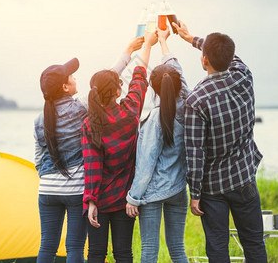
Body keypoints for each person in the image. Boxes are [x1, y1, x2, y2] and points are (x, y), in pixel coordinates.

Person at [34, 37, 144, 263]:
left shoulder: (39, 119)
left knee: (47, 246)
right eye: (71, 77)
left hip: (46, 189)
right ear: (65, 87)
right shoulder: (80, 108)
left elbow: (38, 158)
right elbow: (106, 82)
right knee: (74, 247)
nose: (75, 78)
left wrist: (47, 177)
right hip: (74, 188)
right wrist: (128, 51)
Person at [171, 20, 268, 263]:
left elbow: (195, 152)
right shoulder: (243, 76)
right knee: (254, 243)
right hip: (244, 177)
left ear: (204, 60)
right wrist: (192, 38)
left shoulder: (197, 100)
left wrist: (194, 193)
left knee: (217, 249)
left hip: (213, 189)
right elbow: (229, 55)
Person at [82, 31, 158, 263]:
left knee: (96, 253)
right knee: (124, 253)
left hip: (101, 197)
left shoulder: (90, 123)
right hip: (126, 198)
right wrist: (148, 46)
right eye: (119, 84)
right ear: (116, 91)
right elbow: (139, 77)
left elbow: (92, 166)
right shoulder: (130, 111)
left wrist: (91, 200)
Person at [126, 28, 189, 263]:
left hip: (152, 193)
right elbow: (177, 72)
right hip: (178, 190)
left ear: (153, 88)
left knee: (149, 252)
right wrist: (163, 42)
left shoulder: (155, 118)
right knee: (178, 250)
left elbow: (146, 162)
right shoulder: (186, 105)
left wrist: (133, 197)